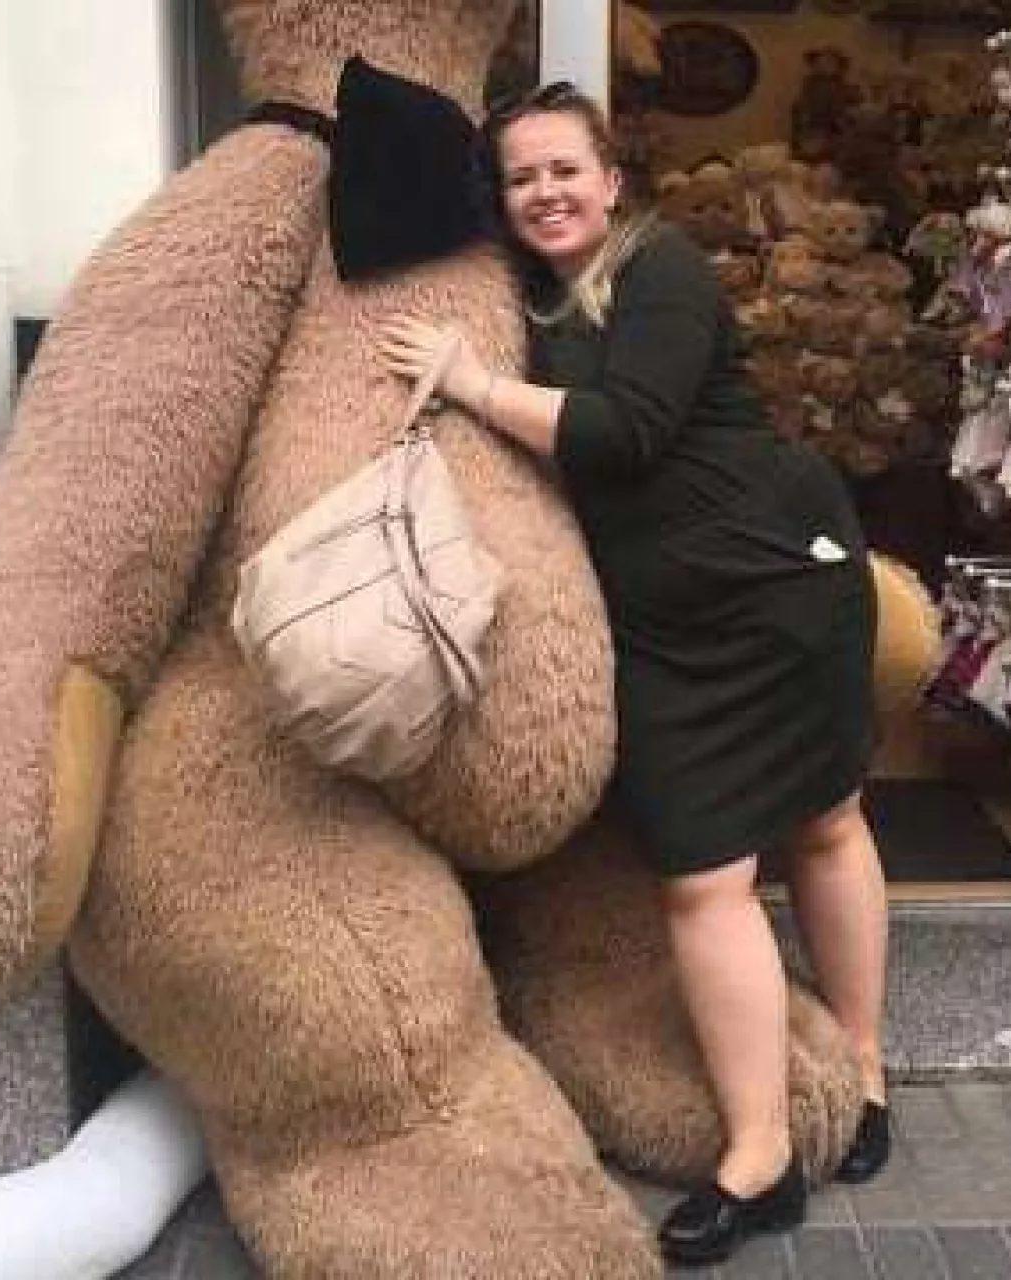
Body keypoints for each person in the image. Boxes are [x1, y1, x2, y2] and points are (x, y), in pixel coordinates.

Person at [380, 82, 891, 1268]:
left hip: (779, 583)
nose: (545, 192)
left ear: (610, 181)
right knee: (701, 879)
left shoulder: (663, 269)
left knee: (825, 822)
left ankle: (864, 1069)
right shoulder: (521, 295)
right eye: (520, 177)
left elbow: (623, 431)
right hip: (660, 630)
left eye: (564, 168)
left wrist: (469, 383)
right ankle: (760, 1152)